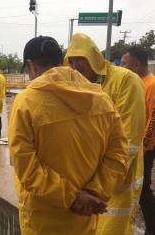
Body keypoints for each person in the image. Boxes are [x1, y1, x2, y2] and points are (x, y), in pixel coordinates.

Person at [8, 35, 128, 235]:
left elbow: (26, 168)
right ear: (60, 60)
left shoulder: (26, 103)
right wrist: (93, 192)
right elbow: (118, 155)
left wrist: (72, 197)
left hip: (42, 220)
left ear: (31, 65)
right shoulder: (102, 100)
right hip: (85, 216)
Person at [65, 33, 146, 235]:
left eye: (80, 60)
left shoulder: (126, 80)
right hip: (88, 181)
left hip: (119, 179)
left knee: (113, 229)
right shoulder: (78, 87)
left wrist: (98, 186)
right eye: (71, 61)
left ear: (94, 58)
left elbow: (129, 141)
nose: (75, 66)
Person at [121, 46, 155, 235]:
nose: (122, 66)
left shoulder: (151, 85)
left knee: (143, 192)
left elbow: (153, 119)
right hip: (138, 146)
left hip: (146, 148)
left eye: (125, 63)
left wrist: (145, 146)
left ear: (135, 65)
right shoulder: (137, 83)